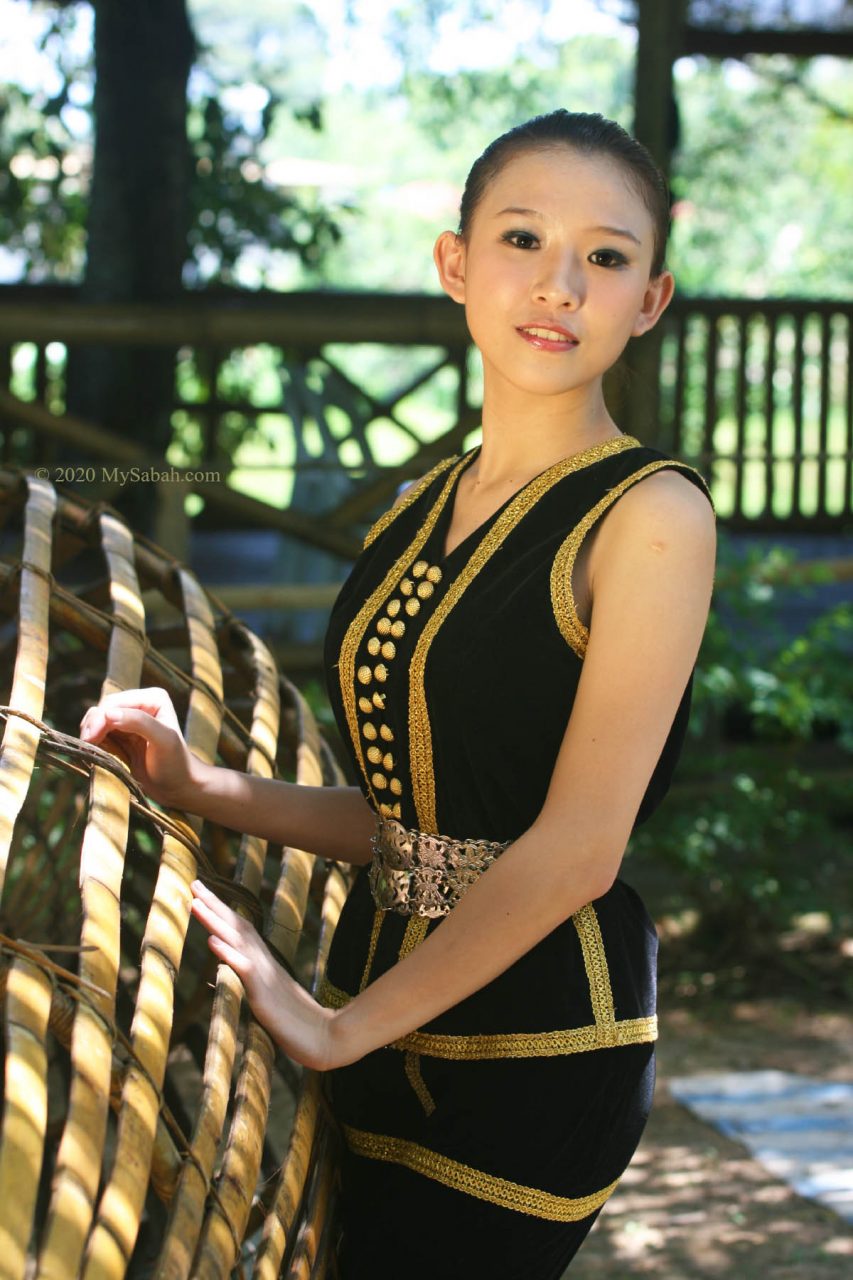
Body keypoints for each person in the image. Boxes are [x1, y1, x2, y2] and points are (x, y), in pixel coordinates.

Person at [80, 110, 716, 1278]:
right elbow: (406, 816)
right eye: (522, 239)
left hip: (534, 1053)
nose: (561, 283)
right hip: (376, 1006)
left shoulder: (651, 516)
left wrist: (333, 1028)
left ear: (650, 300)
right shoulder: (419, 506)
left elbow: (574, 848)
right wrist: (202, 784)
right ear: (456, 266)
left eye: (608, 256)